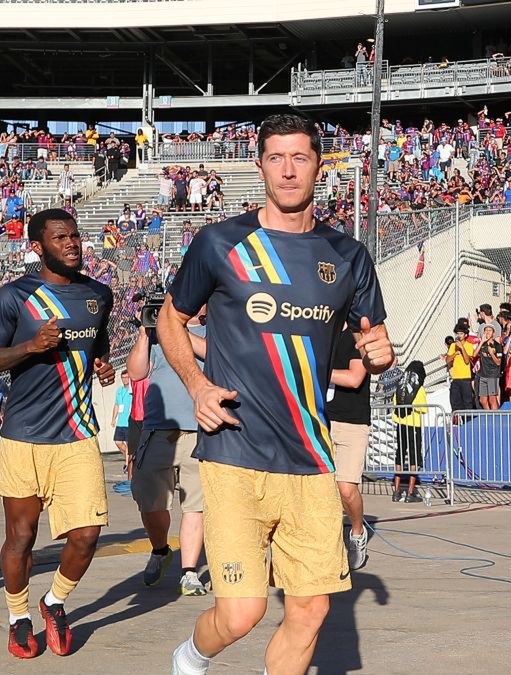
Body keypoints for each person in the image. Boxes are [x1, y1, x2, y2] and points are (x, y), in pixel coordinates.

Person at [157, 114, 393, 675]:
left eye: (301, 158)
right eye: (276, 158)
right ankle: (189, 660)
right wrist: (197, 383)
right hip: (235, 452)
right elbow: (171, 320)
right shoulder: (220, 242)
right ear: (260, 165)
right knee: (241, 612)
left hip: (312, 460)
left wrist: (381, 354)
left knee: (309, 611)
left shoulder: (348, 254)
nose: (288, 171)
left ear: (318, 164)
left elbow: (374, 339)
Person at [0, 208, 115, 659]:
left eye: (76, 236)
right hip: (22, 436)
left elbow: (95, 350)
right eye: (60, 238)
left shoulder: (99, 294)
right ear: (38, 247)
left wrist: (101, 365)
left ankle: (54, 601)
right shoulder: (14, 297)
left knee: (87, 534)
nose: (72, 244)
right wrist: (30, 347)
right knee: (21, 538)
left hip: (78, 435)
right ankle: (18, 617)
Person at [126, 312, 208, 596]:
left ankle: (188, 572)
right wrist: (145, 334)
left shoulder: (215, 328)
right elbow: (136, 372)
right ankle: (160, 550)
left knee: (194, 505)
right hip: (158, 428)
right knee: (149, 503)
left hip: (199, 428)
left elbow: (213, 355)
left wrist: (174, 331)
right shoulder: (155, 334)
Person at [326, 322, 372, 570]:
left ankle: (357, 533)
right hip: (321, 419)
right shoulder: (321, 330)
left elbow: (355, 378)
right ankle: (328, 545)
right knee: (321, 489)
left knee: (345, 488)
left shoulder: (358, 337)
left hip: (352, 422)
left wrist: (317, 370)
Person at [392, 360, 428, 503]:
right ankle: (410, 493)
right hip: (414, 425)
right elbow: (424, 408)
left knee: (400, 455)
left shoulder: (400, 386)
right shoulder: (418, 388)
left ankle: (396, 491)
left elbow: (395, 405)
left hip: (401, 424)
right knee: (414, 457)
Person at [445, 325, 477, 412]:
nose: (459, 335)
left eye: (461, 333)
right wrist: (455, 353)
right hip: (455, 378)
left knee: (467, 402)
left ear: (465, 335)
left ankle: (468, 422)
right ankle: (457, 422)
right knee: (455, 402)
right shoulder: (453, 346)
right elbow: (447, 360)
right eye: (457, 333)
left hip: (465, 378)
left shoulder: (469, 346)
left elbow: (467, 361)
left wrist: (462, 348)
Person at [112, 371, 133, 475]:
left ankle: (127, 464)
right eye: (123, 377)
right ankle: (131, 458)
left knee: (129, 444)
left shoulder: (132, 390)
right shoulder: (119, 391)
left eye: (126, 377)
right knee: (118, 442)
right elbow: (117, 405)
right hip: (121, 421)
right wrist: (113, 419)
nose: (125, 379)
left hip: (129, 422)